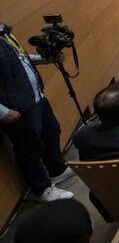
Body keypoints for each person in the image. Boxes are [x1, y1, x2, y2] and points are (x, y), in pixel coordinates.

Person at [0, 20, 72, 201]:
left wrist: (47, 59)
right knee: (29, 149)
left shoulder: (5, 34)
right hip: (16, 107)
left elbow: (21, 59)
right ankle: (42, 190)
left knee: (51, 131)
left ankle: (57, 170)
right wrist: (2, 112)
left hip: (35, 96)